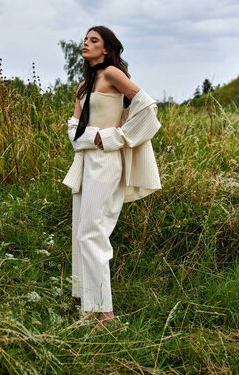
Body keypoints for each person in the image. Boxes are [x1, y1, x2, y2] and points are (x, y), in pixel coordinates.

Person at [62, 25, 162, 334]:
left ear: (106, 49)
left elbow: (148, 107)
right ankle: (88, 310)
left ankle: (105, 316)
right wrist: (89, 139)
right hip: (85, 161)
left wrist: (117, 137)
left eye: (94, 40)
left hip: (106, 163)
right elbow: (73, 130)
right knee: (82, 234)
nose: (86, 44)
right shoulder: (83, 86)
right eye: (85, 39)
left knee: (93, 235)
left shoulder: (112, 75)